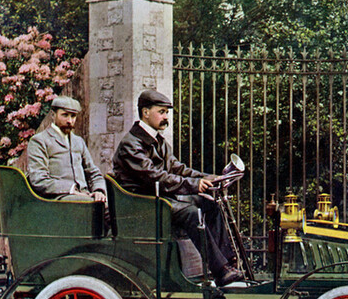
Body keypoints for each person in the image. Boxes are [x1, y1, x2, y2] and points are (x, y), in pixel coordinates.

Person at [113, 89, 243, 287]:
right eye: (162, 112)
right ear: (145, 112)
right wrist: (194, 185)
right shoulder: (131, 144)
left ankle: (228, 264)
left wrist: (208, 178)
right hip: (139, 206)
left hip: (158, 200)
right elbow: (155, 177)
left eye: (167, 112)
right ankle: (221, 270)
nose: (166, 117)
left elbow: (178, 168)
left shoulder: (157, 141)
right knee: (191, 213)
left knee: (210, 205)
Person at [26, 96, 107, 203]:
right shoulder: (39, 141)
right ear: (53, 115)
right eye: (65, 115)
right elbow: (38, 179)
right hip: (57, 198)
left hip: (84, 195)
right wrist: (71, 189)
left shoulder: (78, 141)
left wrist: (98, 190)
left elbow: (93, 172)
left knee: (112, 205)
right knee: (92, 205)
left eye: (73, 116)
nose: (69, 121)